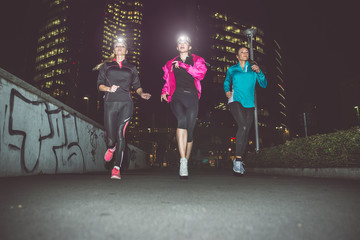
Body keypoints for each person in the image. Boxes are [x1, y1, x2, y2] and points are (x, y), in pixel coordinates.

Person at [94, 38, 151, 179]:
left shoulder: (131, 68)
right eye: (117, 46)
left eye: (122, 46)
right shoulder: (106, 66)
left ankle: (116, 168)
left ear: (126, 51)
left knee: (121, 134)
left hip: (126, 103)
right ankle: (111, 147)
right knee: (111, 138)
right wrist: (108, 88)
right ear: (113, 50)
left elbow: (137, 86)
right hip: (110, 103)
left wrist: (141, 93)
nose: (119, 47)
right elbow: (99, 85)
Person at [161, 35, 207, 179]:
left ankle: (186, 160)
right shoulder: (170, 63)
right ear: (177, 47)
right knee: (181, 120)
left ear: (190, 47)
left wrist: (184, 66)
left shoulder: (197, 60)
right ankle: (182, 161)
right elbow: (168, 80)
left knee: (190, 131)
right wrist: (164, 92)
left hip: (192, 97)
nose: (182, 44)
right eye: (179, 42)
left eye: (185, 42)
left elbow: (200, 74)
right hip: (176, 96)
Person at [224, 46, 267, 175]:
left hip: (249, 103)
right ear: (237, 56)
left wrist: (259, 72)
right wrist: (227, 90)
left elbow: (264, 84)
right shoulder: (232, 69)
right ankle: (237, 160)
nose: (245, 53)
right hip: (235, 99)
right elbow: (227, 81)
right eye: (242, 52)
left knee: (246, 131)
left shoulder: (253, 69)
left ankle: (239, 159)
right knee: (242, 127)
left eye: (247, 52)